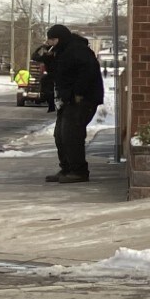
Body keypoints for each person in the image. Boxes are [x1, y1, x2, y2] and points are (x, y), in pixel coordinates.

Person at [43, 24, 103, 184]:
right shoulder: (62, 52)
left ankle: (79, 171)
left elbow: (89, 71)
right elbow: (59, 73)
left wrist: (78, 93)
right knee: (60, 135)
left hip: (83, 99)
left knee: (71, 134)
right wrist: (47, 60)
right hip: (68, 99)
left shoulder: (77, 50)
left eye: (53, 39)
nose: (50, 43)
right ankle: (67, 168)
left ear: (61, 38)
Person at [30, 43, 55, 113]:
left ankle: (45, 99)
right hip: (57, 75)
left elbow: (35, 57)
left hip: (52, 75)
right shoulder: (55, 56)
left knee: (45, 83)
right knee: (45, 82)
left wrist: (38, 49)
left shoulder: (46, 57)